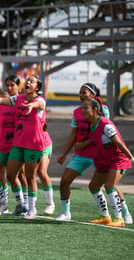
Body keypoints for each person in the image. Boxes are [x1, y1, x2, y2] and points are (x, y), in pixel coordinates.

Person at [0, 75, 47, 219]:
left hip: (32, 144)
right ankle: (16, 204)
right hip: (16, 144)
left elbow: (39, 105)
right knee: (9, 175)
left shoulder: (39, 100)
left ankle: (32, 208)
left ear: (37, 87)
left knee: (29, 177)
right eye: (27, 80)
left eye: (32, 81)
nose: (28, 82)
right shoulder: (16, 100)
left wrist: (31, 105)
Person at [56, 83, 132, 223]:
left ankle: (124, 213)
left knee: (110, 184)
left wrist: (130, 157)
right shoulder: (77, 112)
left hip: (100, 153)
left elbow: (103, 132)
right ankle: (66, 212)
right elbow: (74, 134)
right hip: (81, 154)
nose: (81, 94)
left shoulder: (102, 111)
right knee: (65, 182)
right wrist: (64, 153)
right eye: (80, 92)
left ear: (93, 95)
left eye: (84, 92)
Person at [80, 98, 133, 227]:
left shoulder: (105, 124)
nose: (83, 111)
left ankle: (119, 219)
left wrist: (131, 158)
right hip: (104, 161)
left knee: (109, 185)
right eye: (82, 108)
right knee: (93, 186)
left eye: (86, 108)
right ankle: (105, 216)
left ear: (94, 110)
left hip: (118, 159)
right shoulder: (92, 125)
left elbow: (118, 142)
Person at [0, 75, 20, 216]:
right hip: (3, 145)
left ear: (18, 86)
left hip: (17, 145)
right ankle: (3, 204)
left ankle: (22, 205)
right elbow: (0, 125)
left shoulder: (21, 102)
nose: (9, 88)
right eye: (7, 85)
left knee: (19, 176)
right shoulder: (3, 103)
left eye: (12, 85)